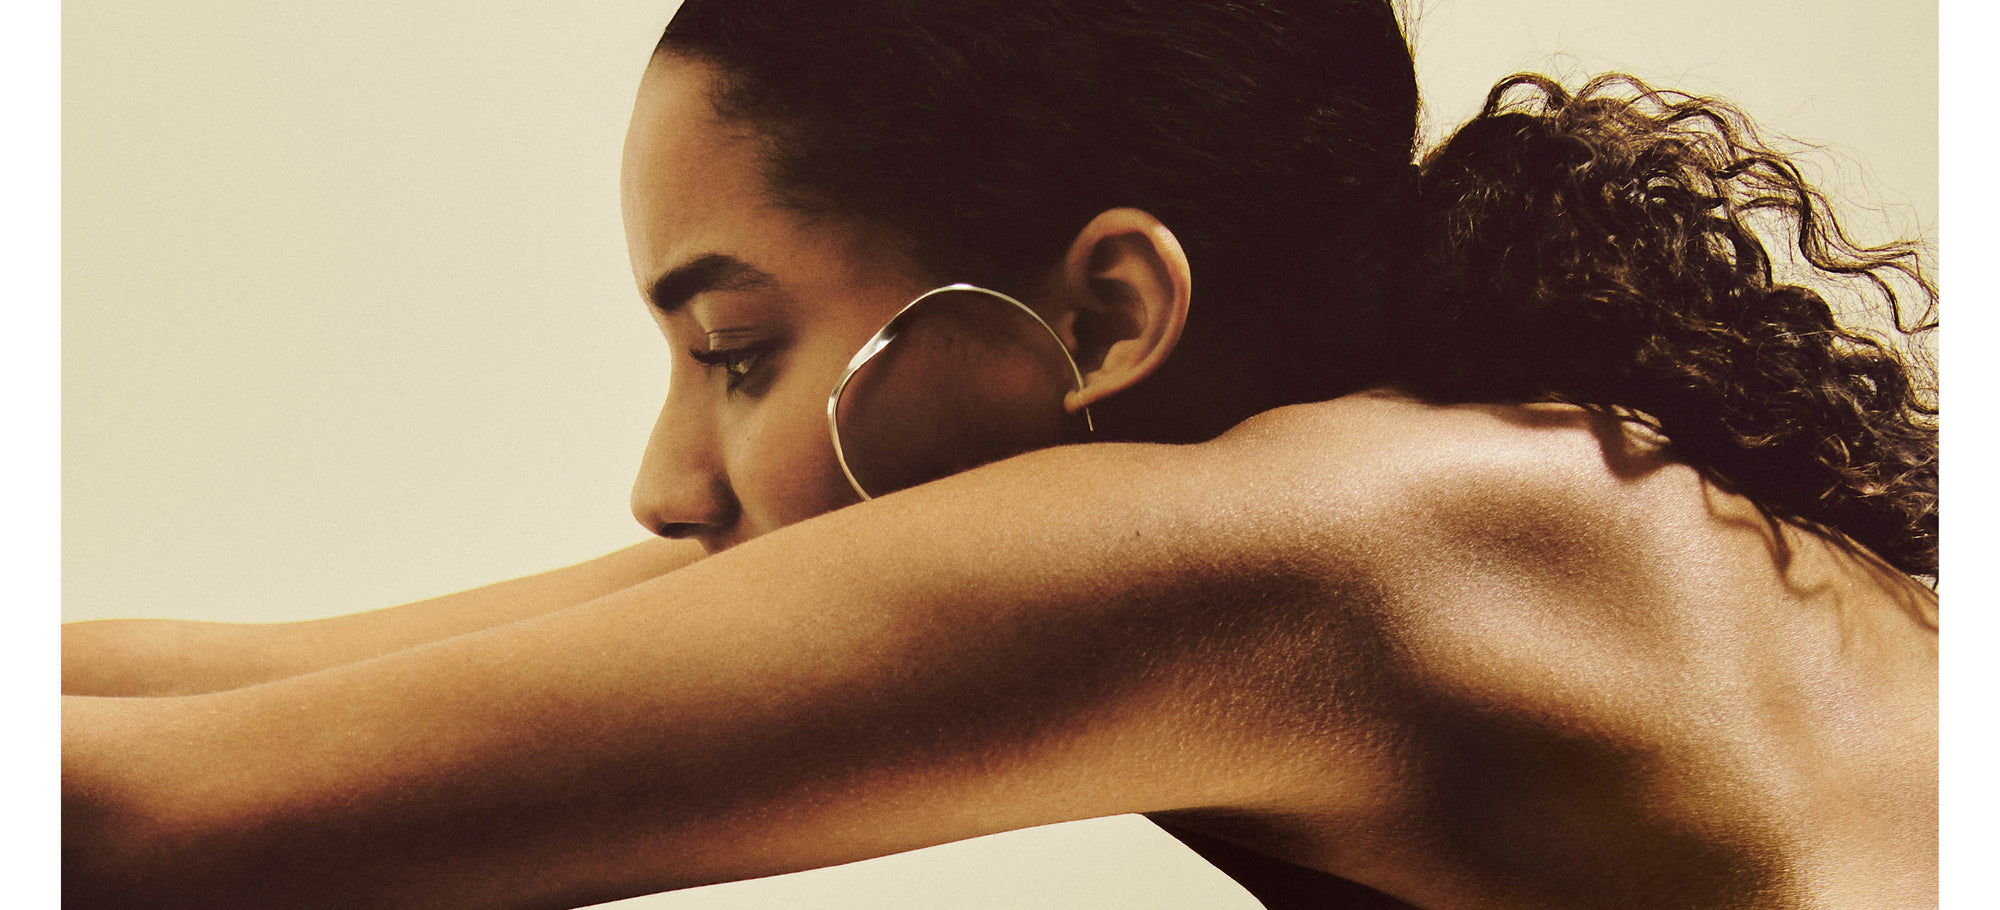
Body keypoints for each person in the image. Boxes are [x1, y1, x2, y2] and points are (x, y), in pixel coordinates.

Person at [62, 1, 1938, 907]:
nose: (666, 482)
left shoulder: (1321, 555)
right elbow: (261, 686)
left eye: (736, 354)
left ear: (1111, 315)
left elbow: (131, 820)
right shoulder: (1456, 497)